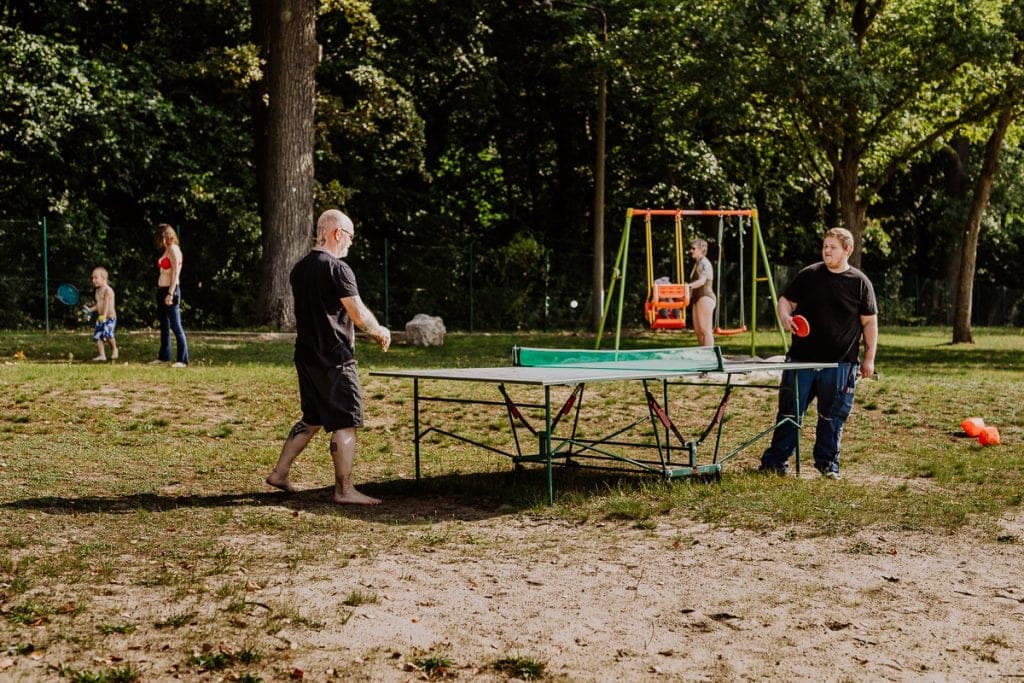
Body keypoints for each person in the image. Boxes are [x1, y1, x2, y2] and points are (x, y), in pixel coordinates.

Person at [266, 209, 392, 505]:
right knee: (345, 422)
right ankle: (344, 490)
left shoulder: (300, 268)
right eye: (350, 236)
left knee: (311, 418)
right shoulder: (337, 268)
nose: (350, 243)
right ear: (337, 233)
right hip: (334, 358)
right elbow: (357, 313)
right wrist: (379, 330)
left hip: (306, 356)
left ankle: (279, 473)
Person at [759, 227, 878, 480]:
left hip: (840, 365)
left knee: (832, 417)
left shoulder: (860, 283)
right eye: (825, 246)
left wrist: (869, 358)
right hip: (801, 360)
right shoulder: (808, 275)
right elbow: (785, 301)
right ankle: (775, 462)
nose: (827, 251)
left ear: (847, 250)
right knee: (789, 412)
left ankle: (827, 465)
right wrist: (785, 317)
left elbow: (869, 323)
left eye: (833, 247)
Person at [153, 223, 189, 367]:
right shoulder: (166, 250)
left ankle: (183, 359)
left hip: (170, 290)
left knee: (176, 325)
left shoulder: (174, 250)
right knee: (164, 325)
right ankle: (164, 356)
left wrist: (170, 293)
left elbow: (175, 274)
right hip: (162, 290)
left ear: (166, 236)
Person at [687, 238, 716, 346]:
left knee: (705, 330)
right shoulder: (697, 264)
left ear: (701, 249)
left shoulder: (704, 263)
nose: (691, 250)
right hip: (697, 297)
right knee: (699, 331)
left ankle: (709, 356)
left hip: (705, 296)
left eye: (693, 248)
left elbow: (702, 281)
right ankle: (703, 354)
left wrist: (688, 286)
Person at [86, 267, 118, 362]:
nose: (93, 280)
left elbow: (107, 305)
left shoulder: (108, 290)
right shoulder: (97, 291)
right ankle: (102, 355)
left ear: (104, 279)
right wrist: (90, 309)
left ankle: (114, 349)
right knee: (98, 337)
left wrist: (104, 316)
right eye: (93, 278)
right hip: (101, 318)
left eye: (96, 278)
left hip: (109, 318)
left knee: (108, 335)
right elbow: (99, 304)